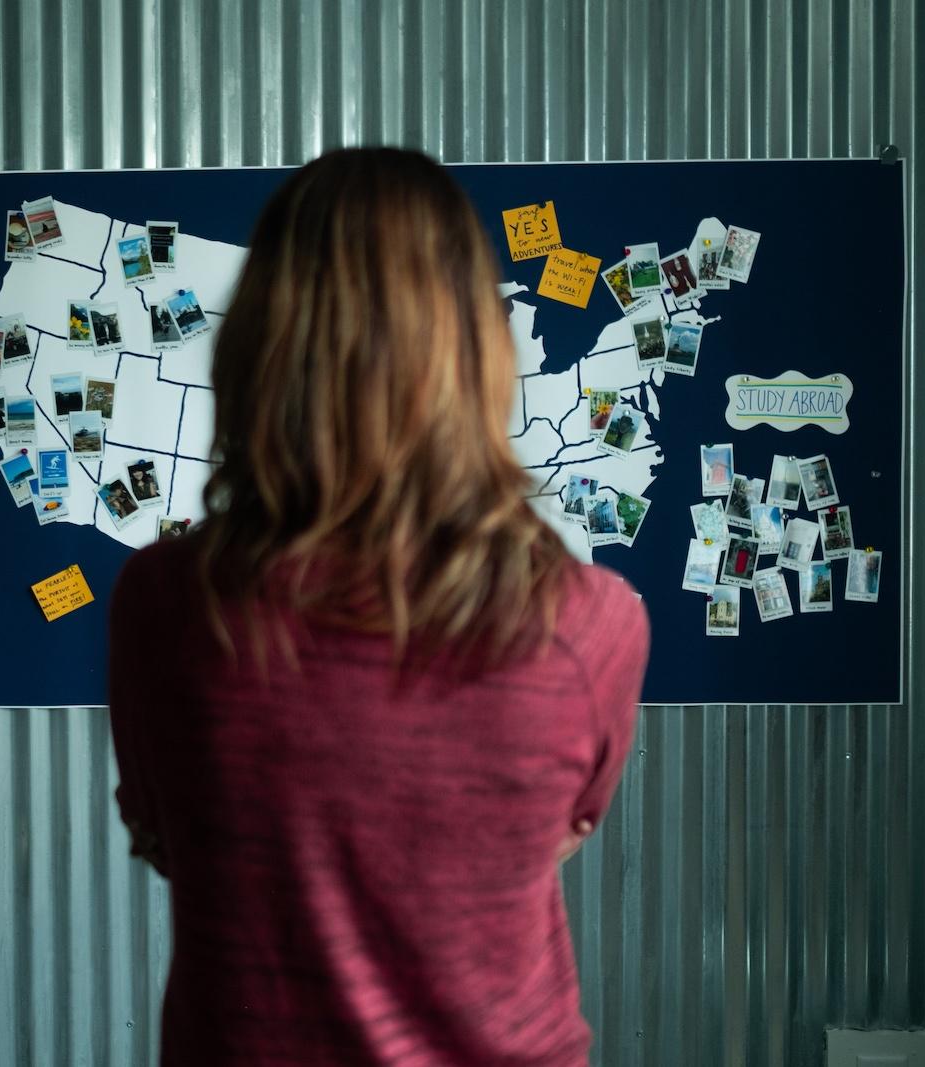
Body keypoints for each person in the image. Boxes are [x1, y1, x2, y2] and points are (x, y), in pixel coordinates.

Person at [106, 147, 649, 1066]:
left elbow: (168, 835)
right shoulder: (590, 624)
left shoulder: (164, 607)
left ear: (259, 344)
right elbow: (550, 837)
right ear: (479, 348)